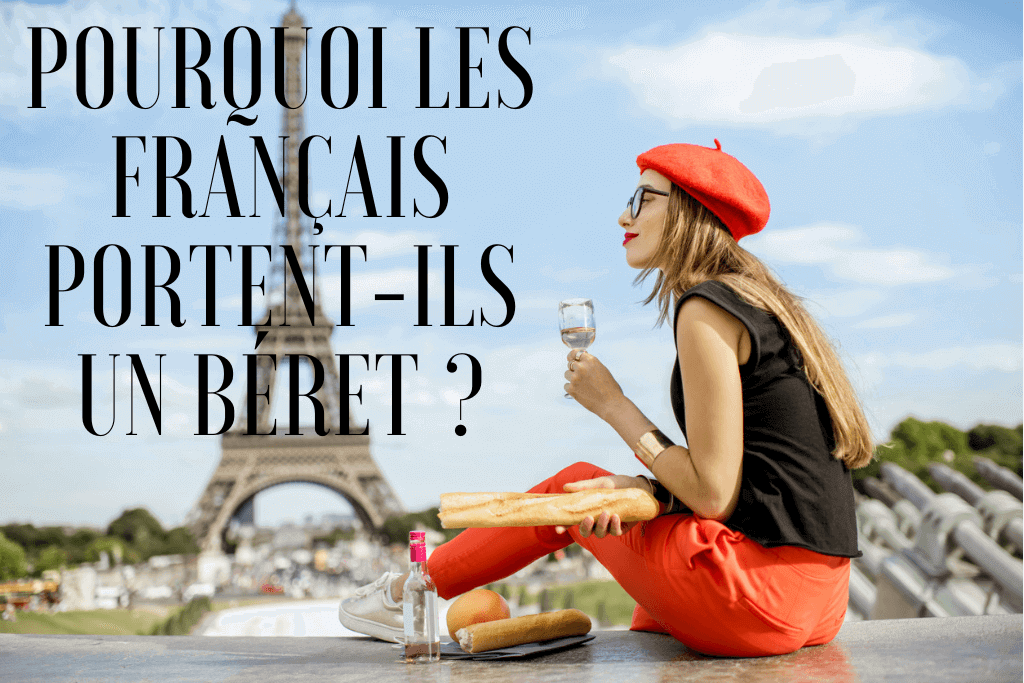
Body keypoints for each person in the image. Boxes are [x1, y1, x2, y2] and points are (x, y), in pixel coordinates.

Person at [339, 140, 873, 657]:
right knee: (619, 525)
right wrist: (649, 489)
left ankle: (405, 593)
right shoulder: (765, 307)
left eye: (642, 198)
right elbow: (756, 482)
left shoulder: (704, 308)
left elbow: (714, 496)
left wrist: (612, 404)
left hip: (757, 600)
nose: (624, 216)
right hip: (822, 599)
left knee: (573, 487)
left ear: (689, 210)